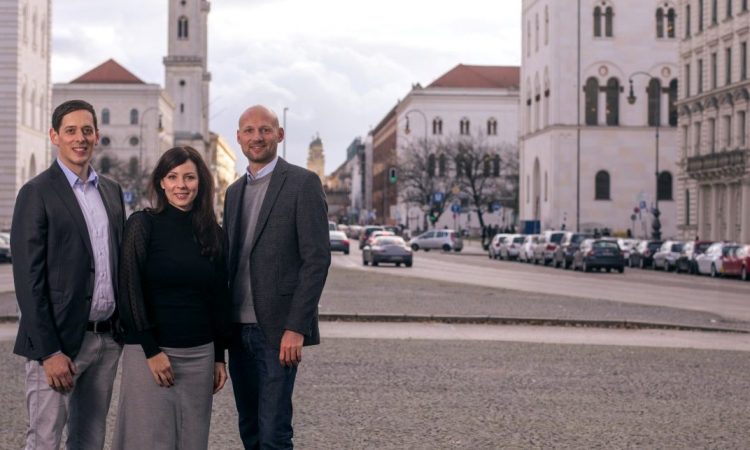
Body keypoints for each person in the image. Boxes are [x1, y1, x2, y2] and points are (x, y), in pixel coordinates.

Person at [11, 99, 125, 450]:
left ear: (97, 136)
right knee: (45, 440)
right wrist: (49, 352)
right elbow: (28, 282)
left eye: (87, 131)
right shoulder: (36, 193)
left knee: (90, 440)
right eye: (71, 131)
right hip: (59, 345)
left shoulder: (111, 191)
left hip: (104, 341)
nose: (80, 138)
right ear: (54, 136)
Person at [224, 105, 331, 449]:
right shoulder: (233, 192)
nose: (257, 137)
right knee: (250, 429)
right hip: (237, 330)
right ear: (238, 137)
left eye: (265, 130)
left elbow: (316, 260)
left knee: (274, 432)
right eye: (249, 130)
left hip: (278, 331)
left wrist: (297, 327)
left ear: (279, 135)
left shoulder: (302, 183)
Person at [112, 146, 231, 450]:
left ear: (201, 182)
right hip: (150, 354)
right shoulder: (142, 224)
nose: (181, 185)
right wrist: (152, 350)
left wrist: (219, 356)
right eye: (173, 176)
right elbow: (129, 289)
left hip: (200, 355)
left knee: (192, 441)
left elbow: (218, 298)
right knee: (148, 440)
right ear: (161, 182)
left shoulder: (214, 234)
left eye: (189, 177)